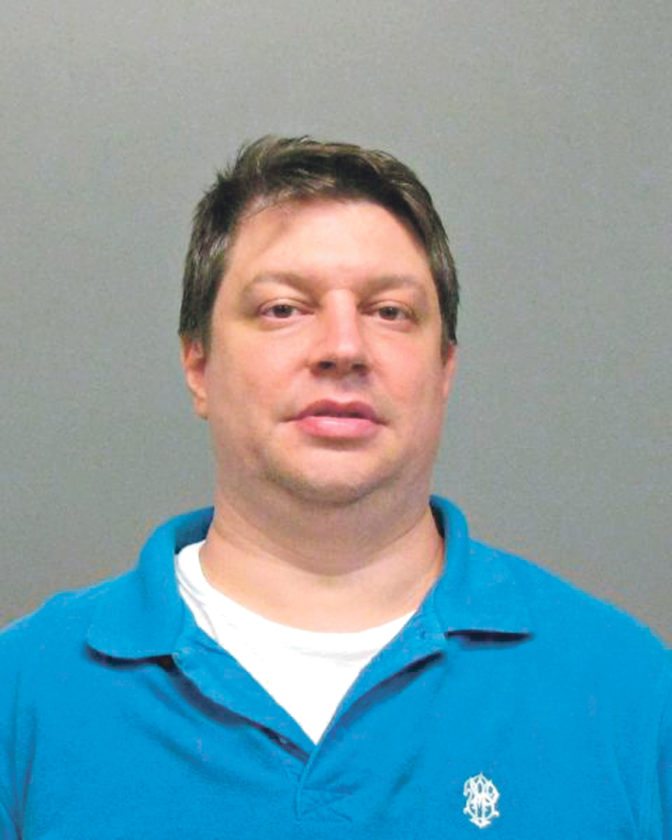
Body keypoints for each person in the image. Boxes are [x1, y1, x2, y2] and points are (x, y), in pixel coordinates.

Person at [0, 136, 669, 838]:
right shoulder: (23, 695)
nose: (344, 348)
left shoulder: (631, 692)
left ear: (444, 370)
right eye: (284, 308)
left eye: (390, 311)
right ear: (199, 365)